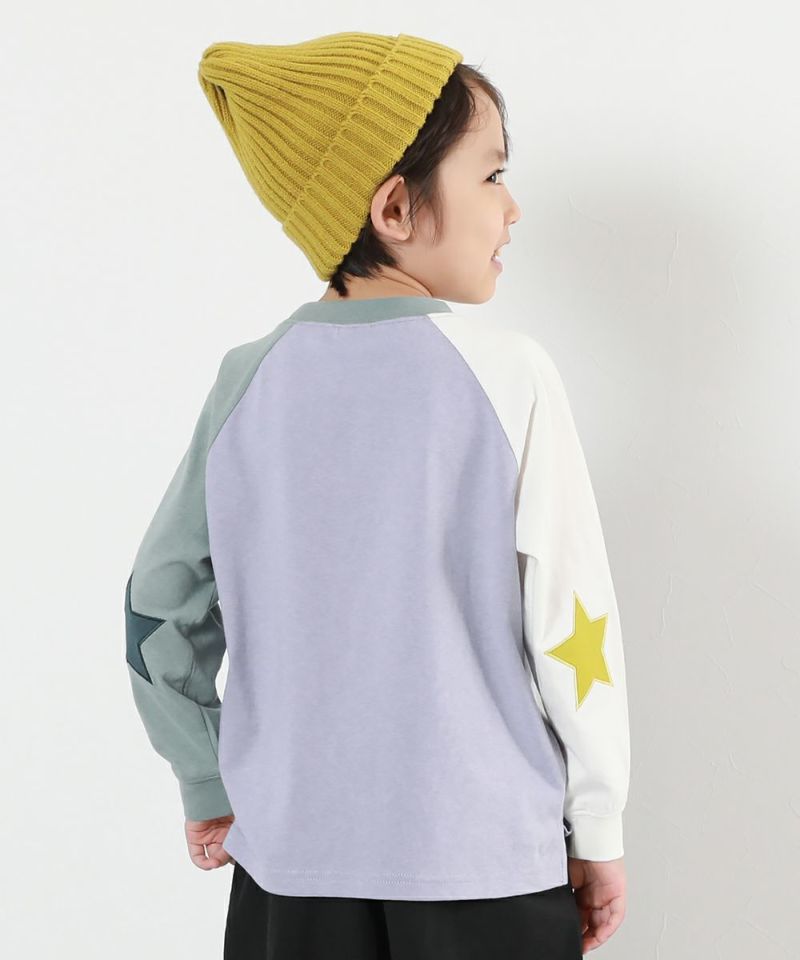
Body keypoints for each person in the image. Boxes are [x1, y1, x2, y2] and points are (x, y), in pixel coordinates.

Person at [124, 31, 630, 958]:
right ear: (395, 206)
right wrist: (596, 825)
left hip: (290, 868)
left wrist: (206, 775)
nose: (513, 207)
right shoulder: (509, 376)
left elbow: (159, 606)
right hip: (485, 865)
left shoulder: (247, 382)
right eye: (491, 174)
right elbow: (573, 623)